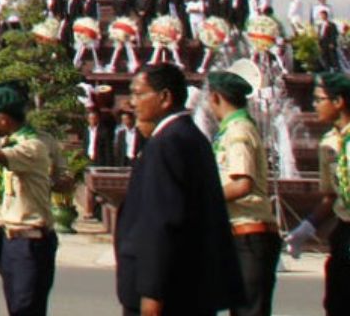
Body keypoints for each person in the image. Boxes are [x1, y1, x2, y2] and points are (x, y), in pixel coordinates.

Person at [114, 64, 243, 316]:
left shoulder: (167, 144)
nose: (132, 102)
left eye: (139, 94)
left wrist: (152, 293)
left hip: (170, 294)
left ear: (164, 97)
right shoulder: (190, 136)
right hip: (190, 289)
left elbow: (161, 224)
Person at [0, 84, 56, 316]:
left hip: (29, 241)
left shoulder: (33, 146)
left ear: (3, 119)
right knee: (17, 306)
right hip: (10, 237)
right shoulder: (9, 142)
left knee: (25, 309)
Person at [202, 71, 277, 316]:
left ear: (215, 97)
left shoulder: (238, 132)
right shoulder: (233, 129)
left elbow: (242, 184)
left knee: (248, 310)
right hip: (240, 233)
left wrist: (203, 199)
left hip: (249, 234)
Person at [286, 71, 350, 312]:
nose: (315, 105)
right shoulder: (329, 143)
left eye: (319, 99)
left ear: (338, 101)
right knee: (337, 302)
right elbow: (331, 195)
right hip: (344, 231)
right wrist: (307, 226)